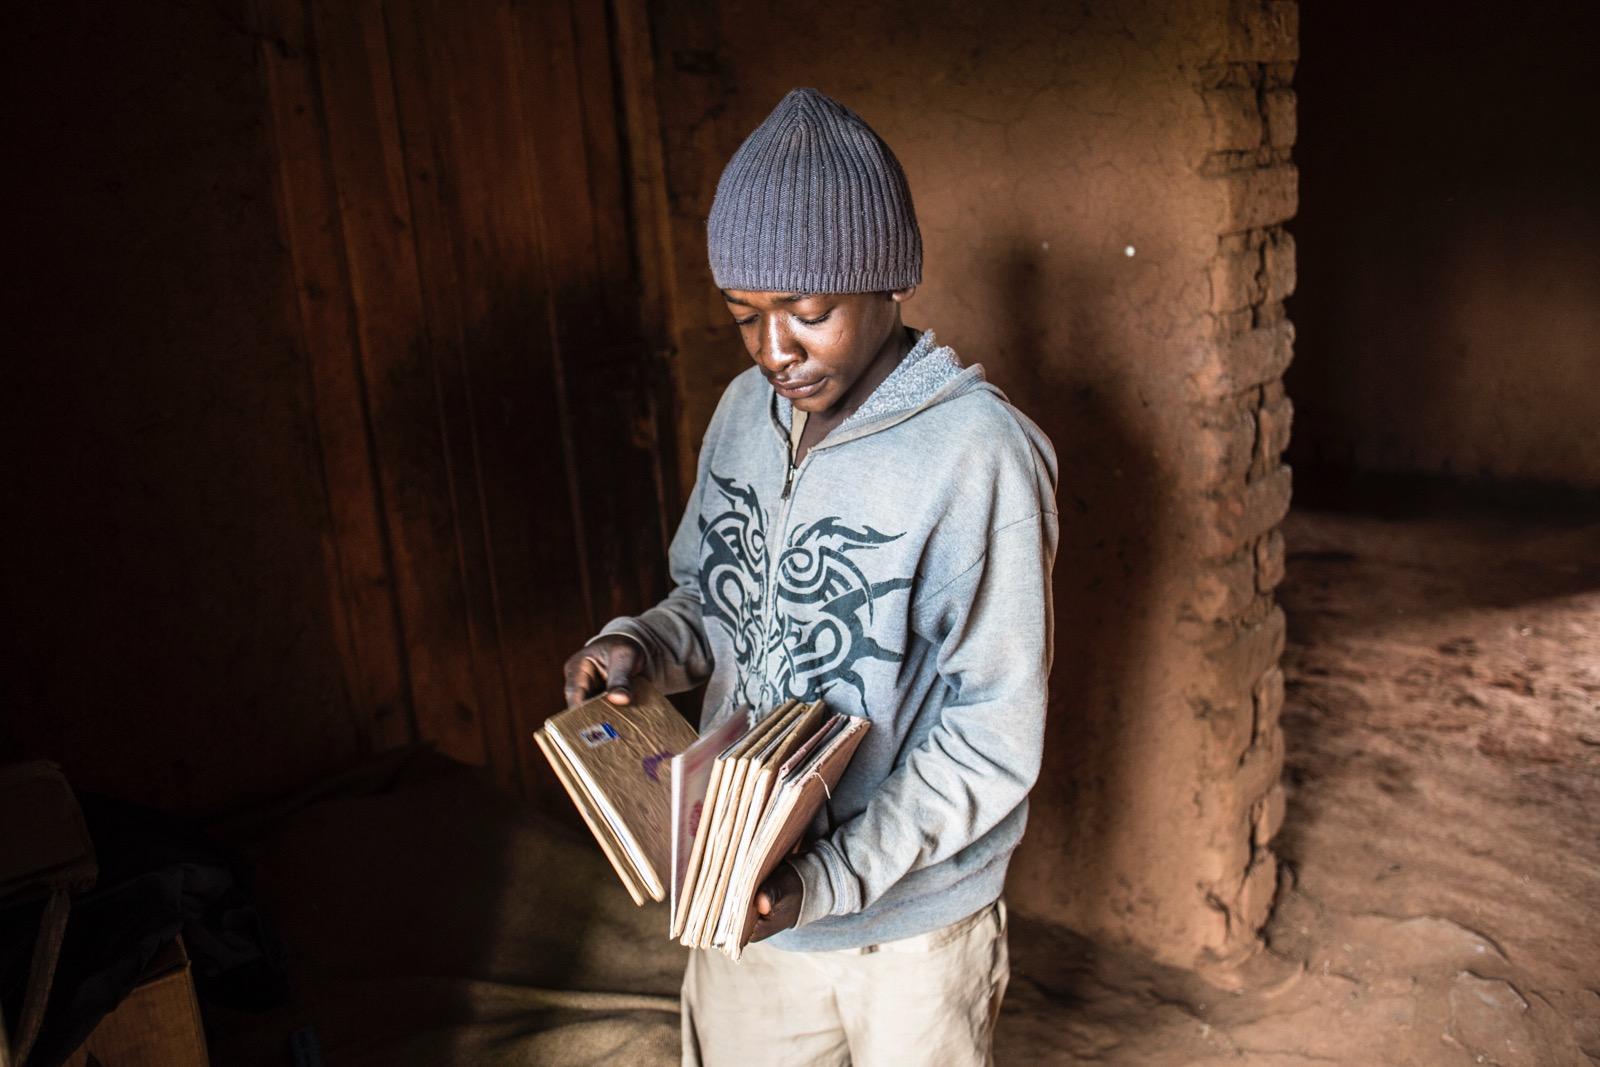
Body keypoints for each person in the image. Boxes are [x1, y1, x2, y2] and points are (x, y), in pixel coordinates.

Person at [561, 87, 1058, 1067]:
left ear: (891, 281)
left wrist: (824, 881)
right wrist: (639, 646)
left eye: (808, 312)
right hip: (744, 892)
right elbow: (714, 596)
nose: (774, 352)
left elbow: (990, 731)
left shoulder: (978, 454)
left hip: (912, 933)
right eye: (745, 318)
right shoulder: (745, 412)